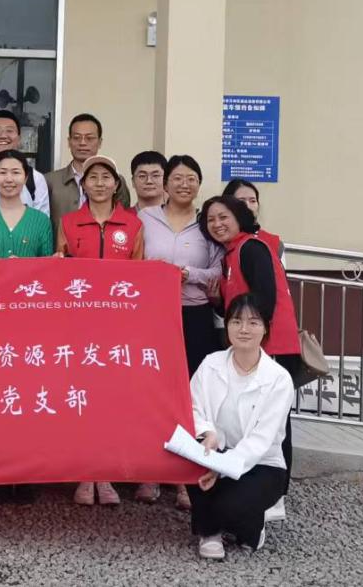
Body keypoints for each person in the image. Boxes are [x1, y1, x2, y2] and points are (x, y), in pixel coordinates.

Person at [199, 194, 301, 522]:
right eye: (211, 220)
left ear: (240, 217)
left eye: (223, 217)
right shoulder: (231, 254)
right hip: (254, 344)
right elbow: (235, 307)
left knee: (277, 423)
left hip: (273, 345)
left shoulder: (251, 248)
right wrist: (217, 300)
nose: (217, 224)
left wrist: (252, 337)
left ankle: (277, 496)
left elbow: (263, 301)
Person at [56, 155, 142, 507]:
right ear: (84, 184)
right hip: (78, 325)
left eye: (107, 176)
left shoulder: (133, 225)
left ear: (116, 184)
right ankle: (84, 473)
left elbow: (139, 276)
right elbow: (59, 269)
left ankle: (104, 473)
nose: (100, 183)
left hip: (117, 328)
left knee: (109, 399)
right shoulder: (69, 222)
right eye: (93, 177)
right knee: (80, 397)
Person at [138, 154, 222, 509]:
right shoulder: (144, 218)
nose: (184, 185)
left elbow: (218, 271)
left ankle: (185, 477)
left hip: (194, 315)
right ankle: (151, 472)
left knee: (191, 393)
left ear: (199, 185)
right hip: (152, 315)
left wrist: (189, 274)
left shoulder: (207, 224)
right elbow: (131, 261)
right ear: (166, 183)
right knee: (153, 389)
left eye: (191, 179)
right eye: (177, 178)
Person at [187, 294, 294, 559]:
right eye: (236, 321)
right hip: (216, 452)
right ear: (227, 326)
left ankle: (250, 524)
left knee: (230, 506)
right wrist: (208, 433)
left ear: (266, 328)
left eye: (253, 322)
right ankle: (209, 533)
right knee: (190, 465)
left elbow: (261, 440)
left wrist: (222, 469)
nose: (244, 329)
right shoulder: (211, 364)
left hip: (262, 464)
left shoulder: (278, 379)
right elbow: (193, 406)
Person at [43, 113, 131, 235]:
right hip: (62, 245)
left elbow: (125, 218)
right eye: (76, 138)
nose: (82, 143)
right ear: (69, 142)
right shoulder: (50, 180)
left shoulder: (116, 181)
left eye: (89, 138)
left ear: (100, 142)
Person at [0, 150, 53, 259]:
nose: (9, 179)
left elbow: (47, 265)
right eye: (2, 173)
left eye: (16, 172)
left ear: (25, 178)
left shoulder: (41, 221)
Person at [222, 179, 285, 263]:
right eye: (241, 201)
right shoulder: (218, 240)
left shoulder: (273, 243)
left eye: (253, 201)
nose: (248, 206)